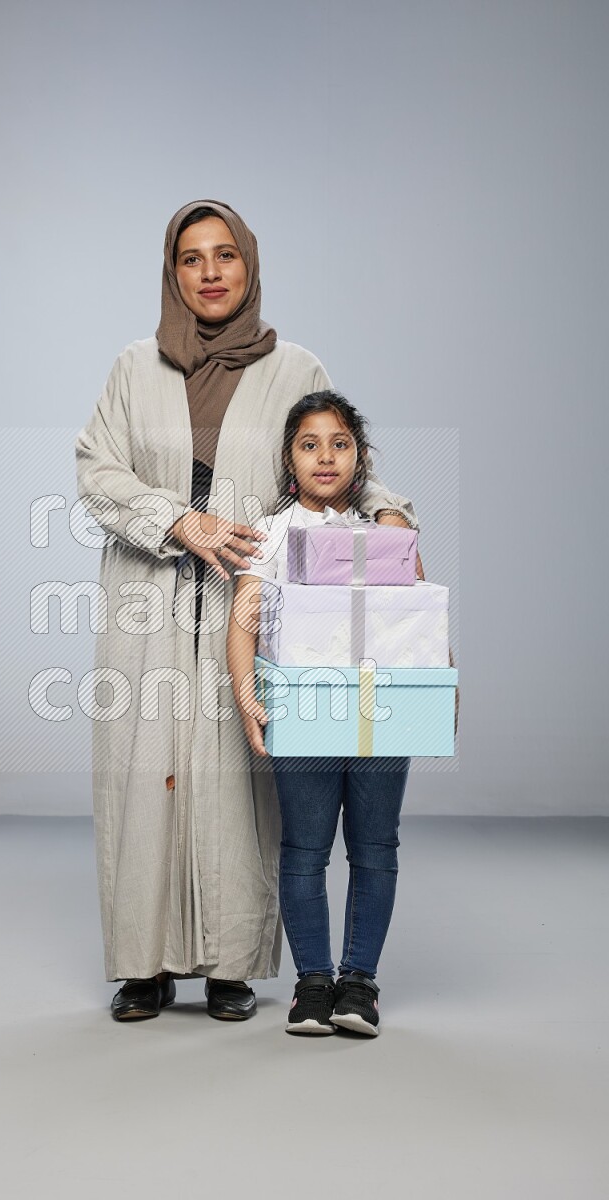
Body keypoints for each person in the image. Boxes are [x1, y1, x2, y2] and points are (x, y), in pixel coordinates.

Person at [75, 200, 418, 1022]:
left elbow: (333, 456)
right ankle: (144, 967)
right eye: (192, 259)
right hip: (149, 598)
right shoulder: (134, 366)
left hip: (255, 598)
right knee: (143, 776)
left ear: (249, 265)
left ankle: (231, 965)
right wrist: (176, 519)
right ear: (174, 274)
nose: (211, 272)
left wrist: (393, 509)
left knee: (239, 783)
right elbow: (97, 470)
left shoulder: (294, 365)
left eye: (225, 255)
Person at [227, 390, 426, 1036]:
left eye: (340, 444)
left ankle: (358, 983)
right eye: (310, 444)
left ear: (360, 458)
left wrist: (442, 686)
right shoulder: (273, 532)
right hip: (304, 710)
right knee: (305, 848)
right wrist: (245, 693)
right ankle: (312, 983)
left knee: (375, 846)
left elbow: (419, 611)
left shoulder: (386, 529)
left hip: (378, 708)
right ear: (290, 459)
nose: (325, 457)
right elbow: (245, 615)